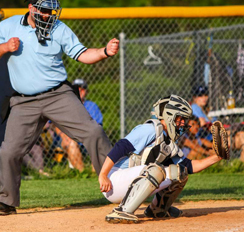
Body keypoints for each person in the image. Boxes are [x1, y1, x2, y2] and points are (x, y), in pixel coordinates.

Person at [0, 0, 119, 216]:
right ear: (31, 8)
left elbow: (83, 54)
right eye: (43, 11)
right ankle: (6, 202)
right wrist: (5, 47)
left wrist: (104, 52)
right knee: (8, 152)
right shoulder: (9, 26)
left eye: (51, 12)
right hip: (24, 101)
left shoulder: (60, 29)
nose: (48, 16)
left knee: (94, 131)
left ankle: (120, 187)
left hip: (58, 95)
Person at [98, 95, 224, 224]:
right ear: (170, 116)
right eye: (180, 119)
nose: (183, 123)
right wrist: (103, 175)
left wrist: (217, 157)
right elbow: (121, 146)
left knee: (180, 172)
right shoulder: (150, 129)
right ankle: (122, 211)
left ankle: (157, 209)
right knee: (156, 170)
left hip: (130, 182)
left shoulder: (168, 143)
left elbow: (189, 166)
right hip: (113, 181)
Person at [53, 78, 103, 172]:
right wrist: (63, 135)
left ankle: (95, 174)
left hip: (87, 138)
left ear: (86, 92)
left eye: (82, 89)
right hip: (68, 137)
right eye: (77, 88)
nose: (80, 90)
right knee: (71, 143)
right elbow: (55, 124)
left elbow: (98, 126)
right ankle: (81, 173)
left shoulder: (92, 106)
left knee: (98, 142)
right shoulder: (65, 105)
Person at [192, 85, 244, 151]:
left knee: (241, 135)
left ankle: (238, 161)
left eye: (205, 95)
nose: (204, 98)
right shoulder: (195, 107)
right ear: (194, 97)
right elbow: (203, 124)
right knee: (240, 137)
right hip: (206, 137)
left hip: (216, 134)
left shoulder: (206, 109)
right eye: (200, 96)